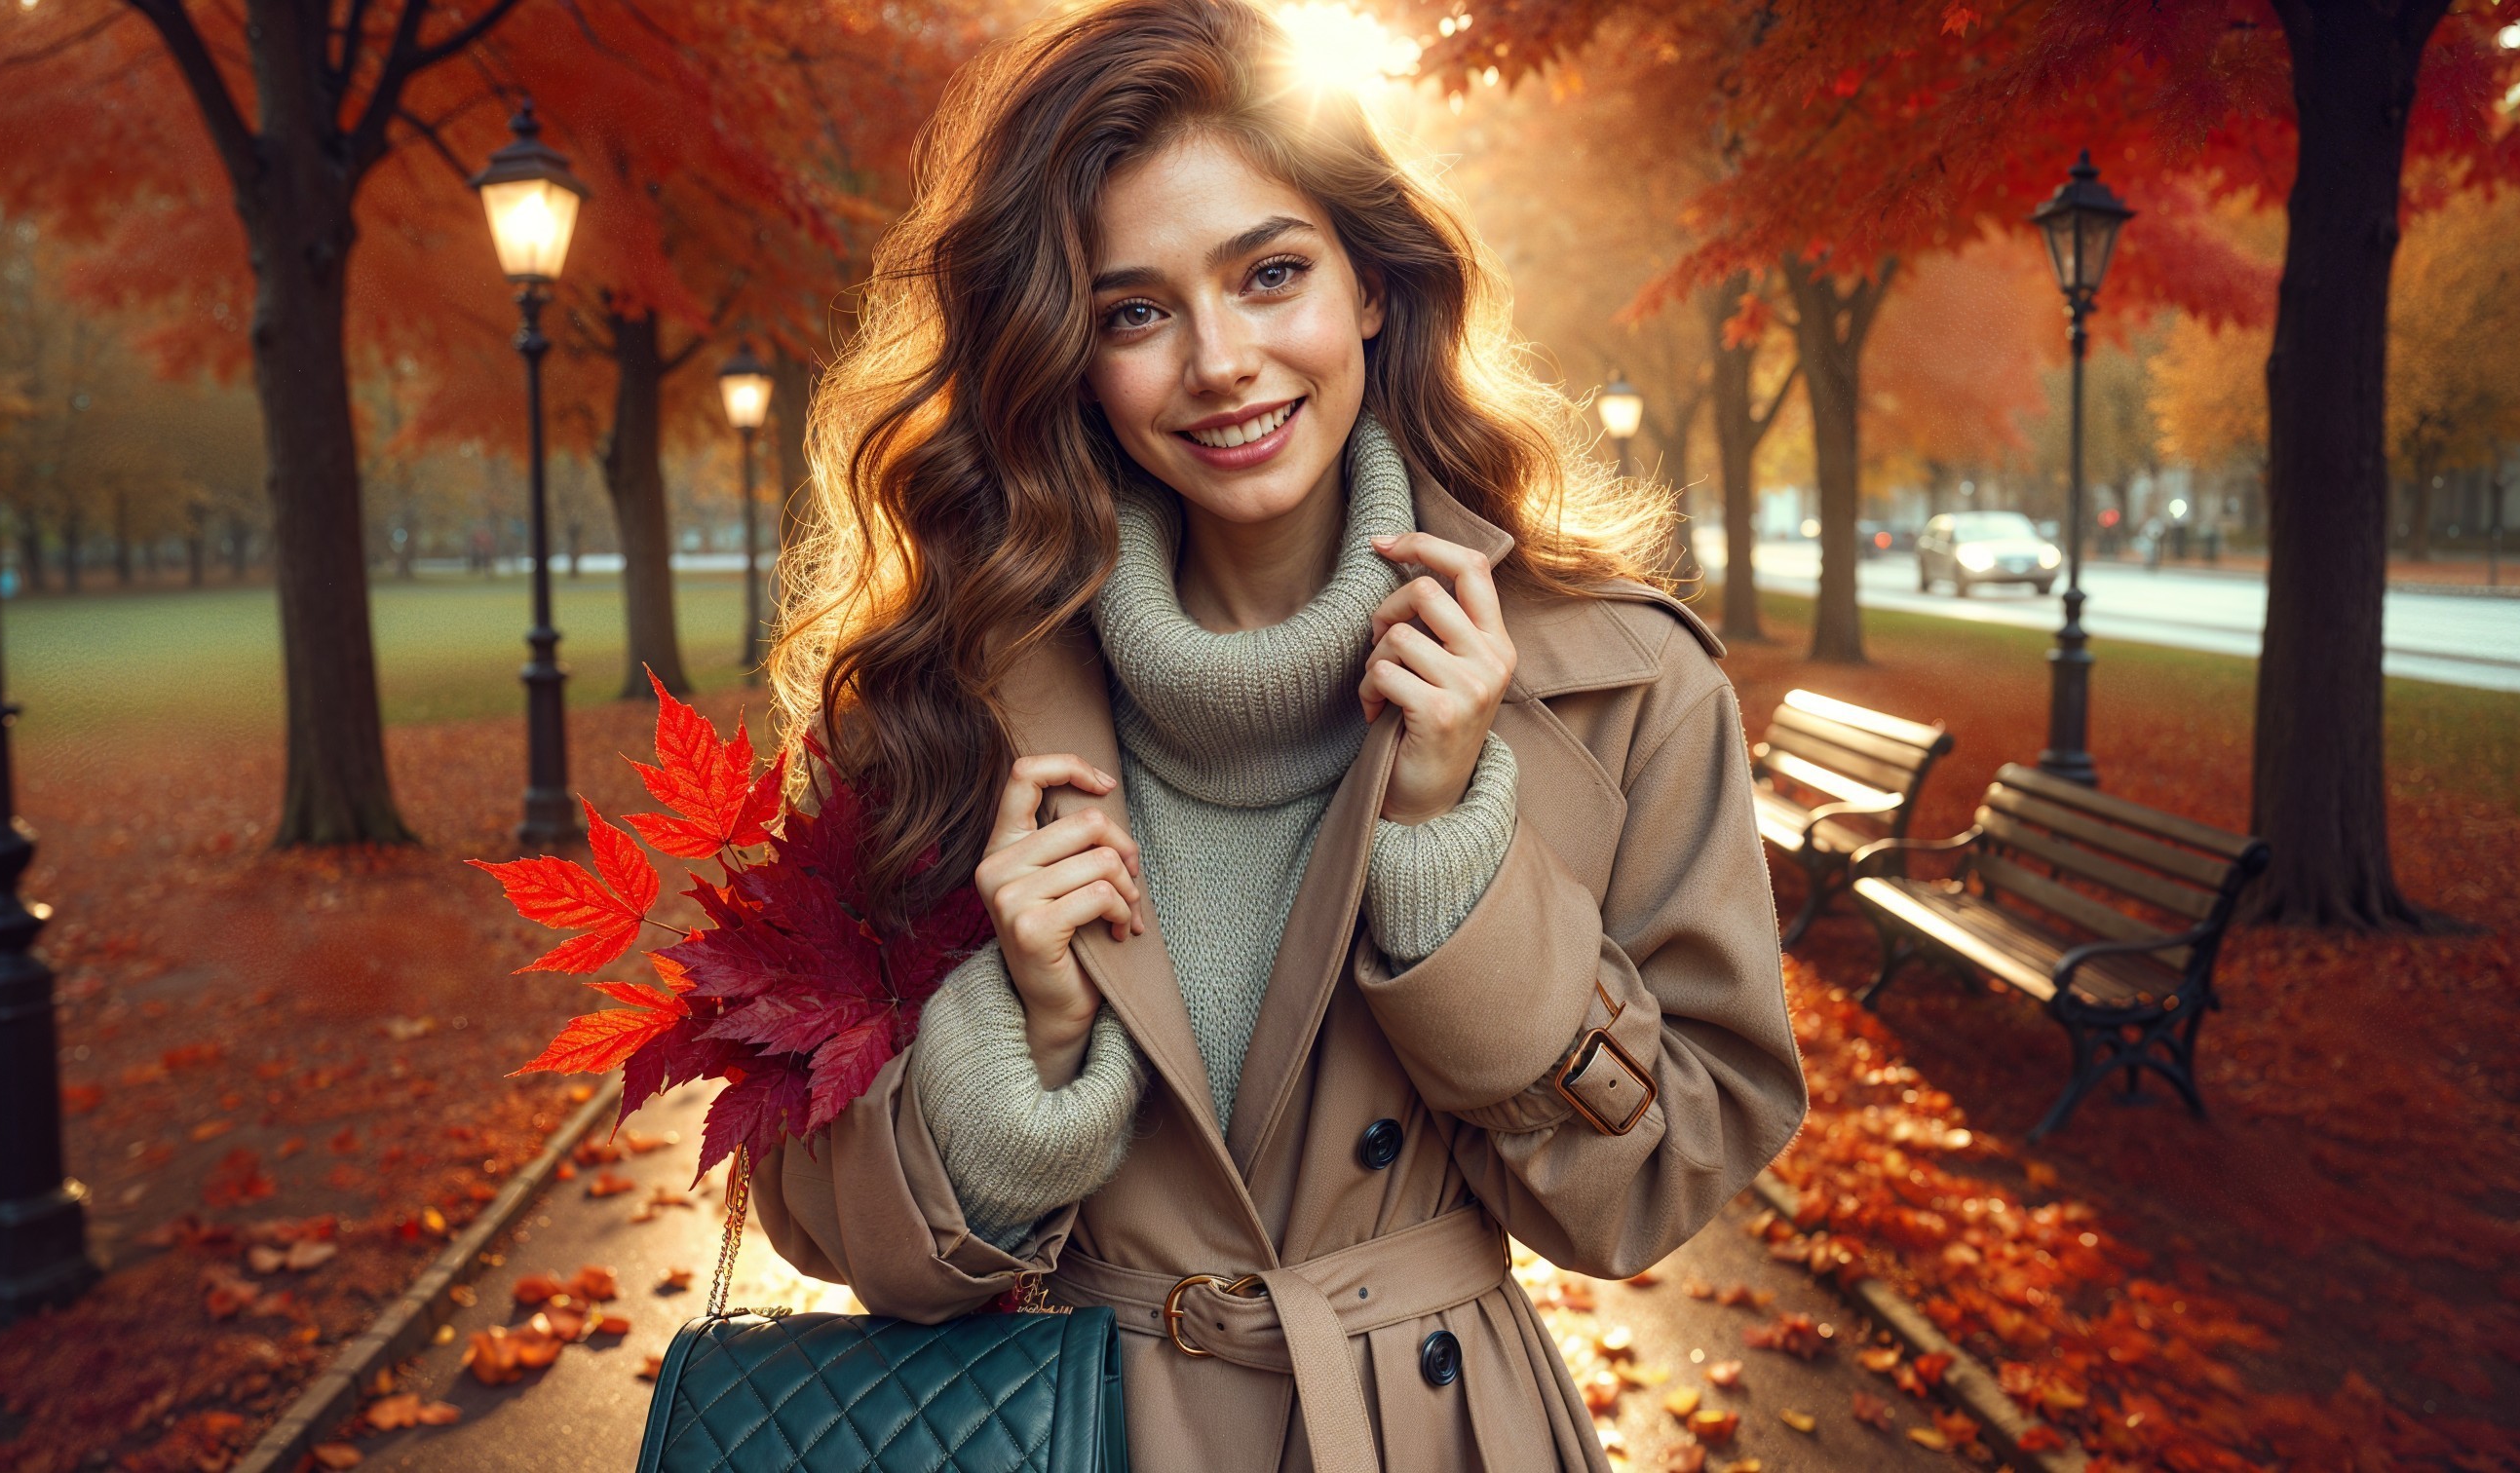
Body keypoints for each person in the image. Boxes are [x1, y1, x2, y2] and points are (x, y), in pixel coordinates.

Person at [750, 2, 1807, 1466]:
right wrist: (1025, 1041)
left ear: (1372, 282)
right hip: (1069, 1434)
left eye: (1270, 274)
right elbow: (823, 1226)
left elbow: (1659, 1182)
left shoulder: (1619, 686)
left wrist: (1451, 861)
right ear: (1066, 353)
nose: (1222, 360)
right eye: (1135, 311)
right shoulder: (934, 707)